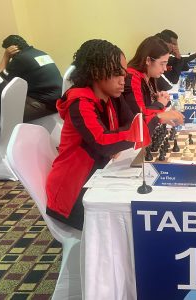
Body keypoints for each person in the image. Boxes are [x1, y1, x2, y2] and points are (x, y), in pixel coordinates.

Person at [46, 39, 147, 230]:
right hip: (73, 192)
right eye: (117, 73)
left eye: (123, 74)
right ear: (96, 72)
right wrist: (144, 127)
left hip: (97, 174)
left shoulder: (110, 96)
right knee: (132, 219)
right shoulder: (80, 103)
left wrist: (138, 128)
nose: (122, 80)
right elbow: (103, 142)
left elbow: (132, 121)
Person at [123, 36, 184, 133]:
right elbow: (140, 117)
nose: (164, 69)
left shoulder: (149, 76)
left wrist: (161, 100)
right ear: (148, 60)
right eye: (162, 64)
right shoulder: (132, 78)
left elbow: (152, 109)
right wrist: (159, 104)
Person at [0, 35, 62, 122]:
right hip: (59, 99)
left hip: (47, 104)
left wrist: (6, 56)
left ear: (11, 49)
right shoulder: (40, 53)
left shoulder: (20, 58)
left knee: (4, 115)